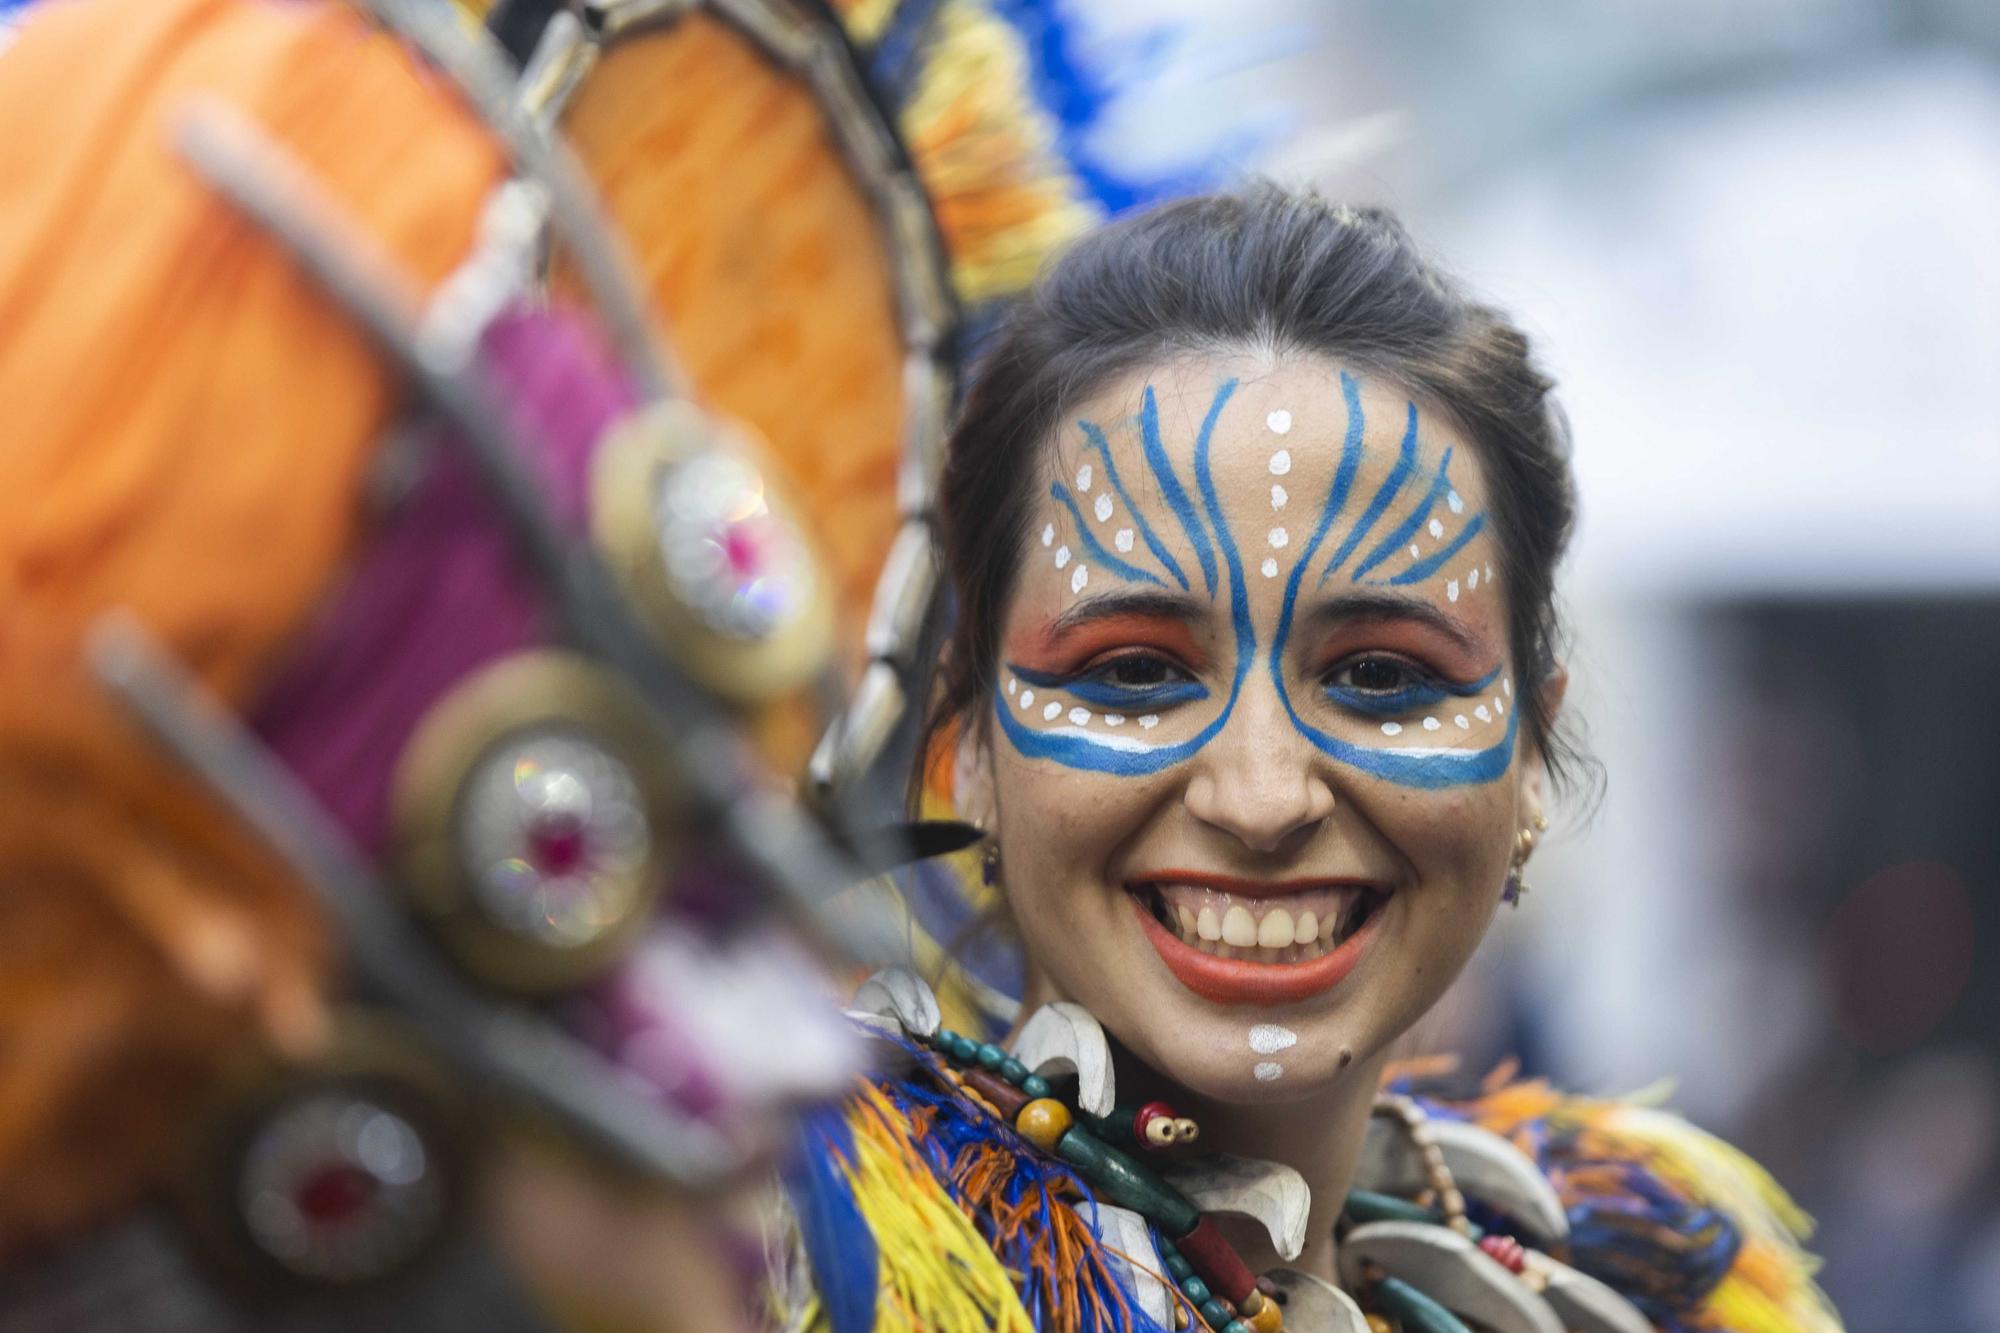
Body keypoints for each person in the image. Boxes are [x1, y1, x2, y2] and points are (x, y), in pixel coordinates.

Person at [782, 188, 1844, 1333]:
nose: (1260, 797)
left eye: (1381, 676)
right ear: (969, 741)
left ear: (1529, 754)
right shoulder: (769, 1263)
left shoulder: (1661, 1284)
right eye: (1133, 671)